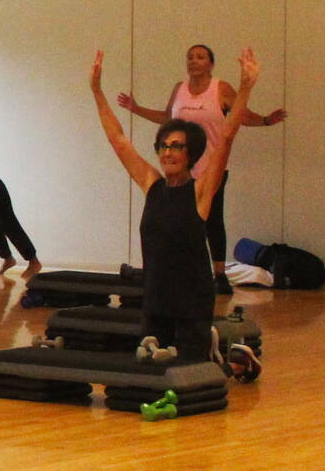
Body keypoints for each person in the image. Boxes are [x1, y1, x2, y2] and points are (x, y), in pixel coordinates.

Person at [92, 47, 258, 363]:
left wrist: (246, 87)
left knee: (191, 371)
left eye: (177, 147)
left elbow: (225, 137)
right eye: (165, 146)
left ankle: (227, 355)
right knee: (150, 367)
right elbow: (118, 139)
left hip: (192, 300)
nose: (169, 153)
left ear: (190, 153)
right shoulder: (151, 185)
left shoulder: (201, 192)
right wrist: (97, 91)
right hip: (156, 299)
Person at [116, 43, 287, 292]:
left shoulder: (221, 89)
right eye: (190, 57)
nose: (194, 61)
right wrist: (136, 108)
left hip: (210, 168)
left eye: (200, 57)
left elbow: (240, 115)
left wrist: (264, 121)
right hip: (182, 172)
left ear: (210, 64)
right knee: (176, 222)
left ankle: (219, 275)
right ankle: (178, 272)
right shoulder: (180, 89)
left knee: (212, 221)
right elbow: (167, 118)